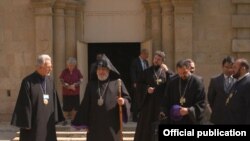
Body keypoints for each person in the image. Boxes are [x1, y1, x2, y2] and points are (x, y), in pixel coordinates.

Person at [71, 54, 131, 141]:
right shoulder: (91, 85)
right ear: (96, 71)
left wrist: (123, 101)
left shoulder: (117, 83)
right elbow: (85, 104)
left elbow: (127, 98)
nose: (101, 71)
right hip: (94, 125)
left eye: (104, 69)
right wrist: (85, 123)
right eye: (99, 69)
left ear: (109, 71)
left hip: (112, 125)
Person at [11, 54, 64, 141]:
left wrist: (55, 118)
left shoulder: (50, 81)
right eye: (48, 67)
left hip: (48, 124)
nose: (51, 69)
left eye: (51, 66)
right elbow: (24, 104)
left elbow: (54, 101)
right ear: (40, 67)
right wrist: (26, 123)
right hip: (34, 124)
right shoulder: (28, 82)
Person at [133, 50, 173, 141]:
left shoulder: (166, 73)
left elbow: (173, 83)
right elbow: (139, 84)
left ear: (163, 61)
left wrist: (168, 71)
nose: (156, 60)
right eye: (155, 58)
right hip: (148, 104)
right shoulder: (146, 72)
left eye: (159, 59)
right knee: (146, 127)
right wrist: (146, 89)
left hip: (161, 105)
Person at [161, 59, 205, 124]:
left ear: (189, 69)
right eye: (180, 73)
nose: (182, 76)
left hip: (191, 120)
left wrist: (188, 110)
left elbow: (201, 102)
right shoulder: (173, 82)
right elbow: (166, 99)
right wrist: (163, 111)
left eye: (184, 73)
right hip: (175, 120)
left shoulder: (197, 82)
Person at [207, 56, 235, 124]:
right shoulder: (215, 80)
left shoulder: (238, 81)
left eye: (231, 67)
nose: (229, 70)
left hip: (234, 116)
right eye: (226, 67)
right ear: (222, 66)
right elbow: (210, 98)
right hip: (218, 116)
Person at [224, 58, 250, 124]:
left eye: (235, 67)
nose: (232, 70)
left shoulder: (248, 82)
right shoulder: (238, 82)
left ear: (243, 68)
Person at [59, 57, 83, 125]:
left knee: (75, 107)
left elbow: (81, 79)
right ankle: (65, 120)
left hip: (75, 93)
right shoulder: (64, 71)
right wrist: (67, 86)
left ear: (74, 65)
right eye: (69, 65)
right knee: (66, 107)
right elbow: (61, 80)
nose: (70, 67)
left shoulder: (77, 71)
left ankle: (73, 120)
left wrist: (75, 85)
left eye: (72, 65)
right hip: (66, 93)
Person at [130, 48, 149, 122]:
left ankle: (141, 116)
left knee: (143, 100)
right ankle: (134, 117)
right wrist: (134, 82)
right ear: (142, 54)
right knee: (136, 100)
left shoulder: (146, 62)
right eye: (147, 55)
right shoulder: (135, 61)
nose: (147, 56)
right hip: (137, 84)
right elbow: (132, 72)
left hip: (144, 85)